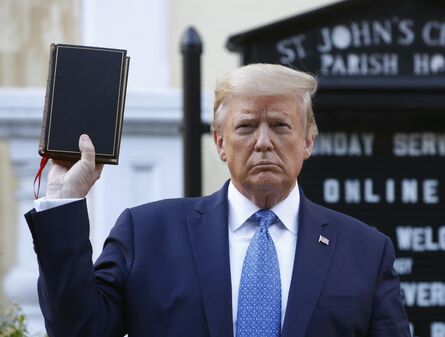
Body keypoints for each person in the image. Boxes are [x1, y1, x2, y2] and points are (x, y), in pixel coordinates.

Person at [25, 63, 411, 337]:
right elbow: (78, 329)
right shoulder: (148, 234)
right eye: (246, 126)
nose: (263, 142)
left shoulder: (364, 251)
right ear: (220, 142)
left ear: (308, 140)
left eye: (279, 125)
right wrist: (64, 203)